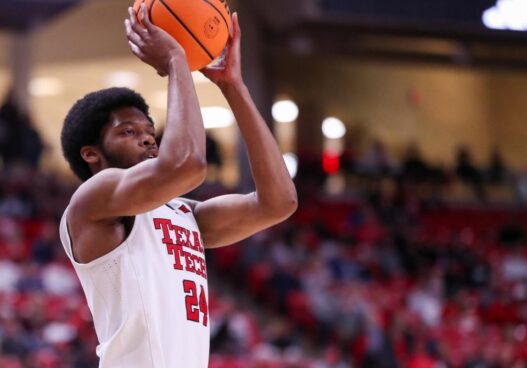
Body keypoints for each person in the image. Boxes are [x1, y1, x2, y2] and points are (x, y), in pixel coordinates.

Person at [58, 5, 297, 368]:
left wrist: (234, 87)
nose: (148, 141)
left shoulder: (185, 214)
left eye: (150, 133)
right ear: (91, 154)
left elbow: (279, 202)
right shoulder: (94, 199)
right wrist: (175, 59)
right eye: (128, 133)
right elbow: (187, 164)